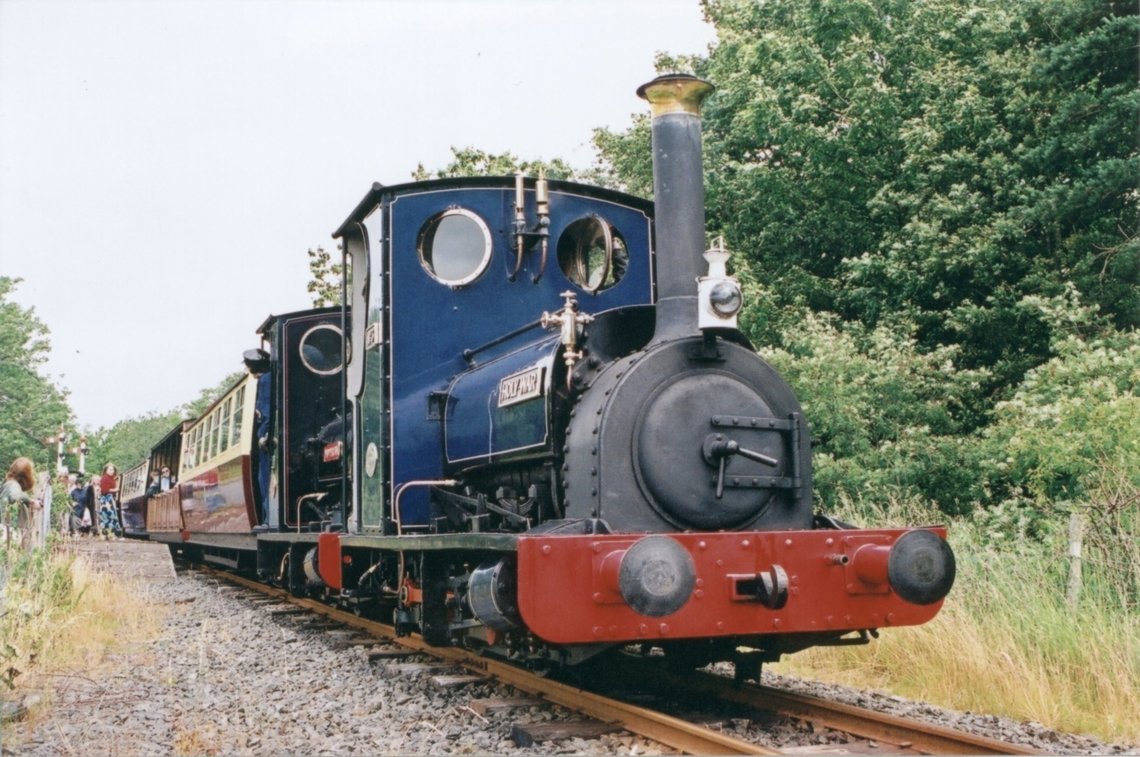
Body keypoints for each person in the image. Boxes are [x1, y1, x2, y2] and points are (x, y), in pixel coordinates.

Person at [2, 457, 40, 549]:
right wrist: (31, 502)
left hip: (7, 529)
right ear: (26, 475)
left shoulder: (9, 484)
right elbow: (16, 496)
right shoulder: (13, 485)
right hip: (10, 531)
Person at [97, 463, 122, 539]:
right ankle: (110, 534)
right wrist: (115, 490)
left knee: (108, 517)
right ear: (106, 470)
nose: (112, 471)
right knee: (110, 516)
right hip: (106, 500)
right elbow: (104, 490)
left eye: (113, 470)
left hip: (109, 499)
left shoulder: (111, 478)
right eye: (110, 469)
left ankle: (108, 534)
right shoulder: (105, 478)